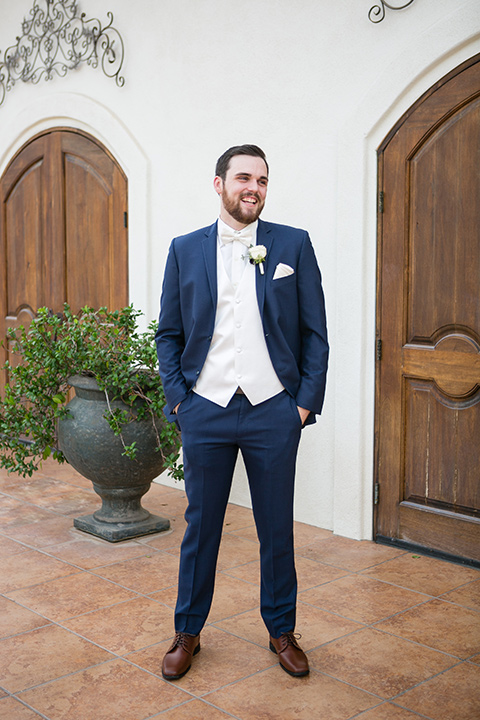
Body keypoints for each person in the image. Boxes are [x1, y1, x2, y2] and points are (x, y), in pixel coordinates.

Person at [155, 144, 328, 680]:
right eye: (244, 178)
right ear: (219, 184)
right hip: (204, 408)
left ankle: (281, 630)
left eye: (262, 180)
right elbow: (169, 333)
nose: (253, 188)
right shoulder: (185, 249)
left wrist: (301, 405)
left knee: (277, 527)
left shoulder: (292, 245)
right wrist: (180, 400)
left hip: (273, 411)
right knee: (200, 524)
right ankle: (188, 631)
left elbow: (315, 334)